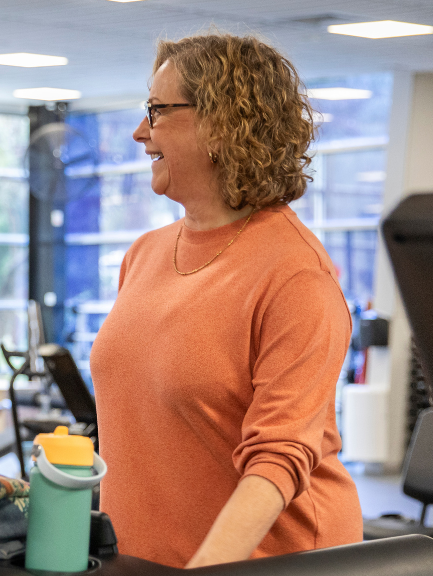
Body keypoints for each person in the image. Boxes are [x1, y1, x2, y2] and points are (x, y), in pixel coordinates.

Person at [88, 33, 362, 568]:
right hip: (142, 559)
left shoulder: (295, 275)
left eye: (157, 111)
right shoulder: (143, 255)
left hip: (266, 561)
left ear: (221, 124)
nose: (140, 132)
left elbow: (278, 458)